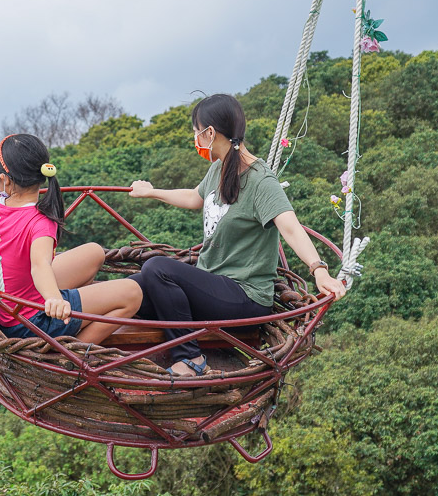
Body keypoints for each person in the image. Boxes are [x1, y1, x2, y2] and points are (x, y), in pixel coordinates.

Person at [128, 94, 346, 376]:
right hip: (214, 285)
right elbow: (195, 197)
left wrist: (319, 271)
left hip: (245, 298)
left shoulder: (260, 180)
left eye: (196, 132)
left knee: (157, 268)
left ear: (209, 133)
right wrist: (151, 192)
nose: (194, 139)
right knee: (138, 288)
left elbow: (290, 226)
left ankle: (190, 359)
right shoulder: (219, 167)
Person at [0, 133, 142, 345]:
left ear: (4, 180)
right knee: (132, 293)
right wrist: (54, 299)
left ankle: (71, 312)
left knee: (94, 252)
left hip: (9, 303)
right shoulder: (40, 221)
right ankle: (71, 352)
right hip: (29, 322)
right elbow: (40, 266)